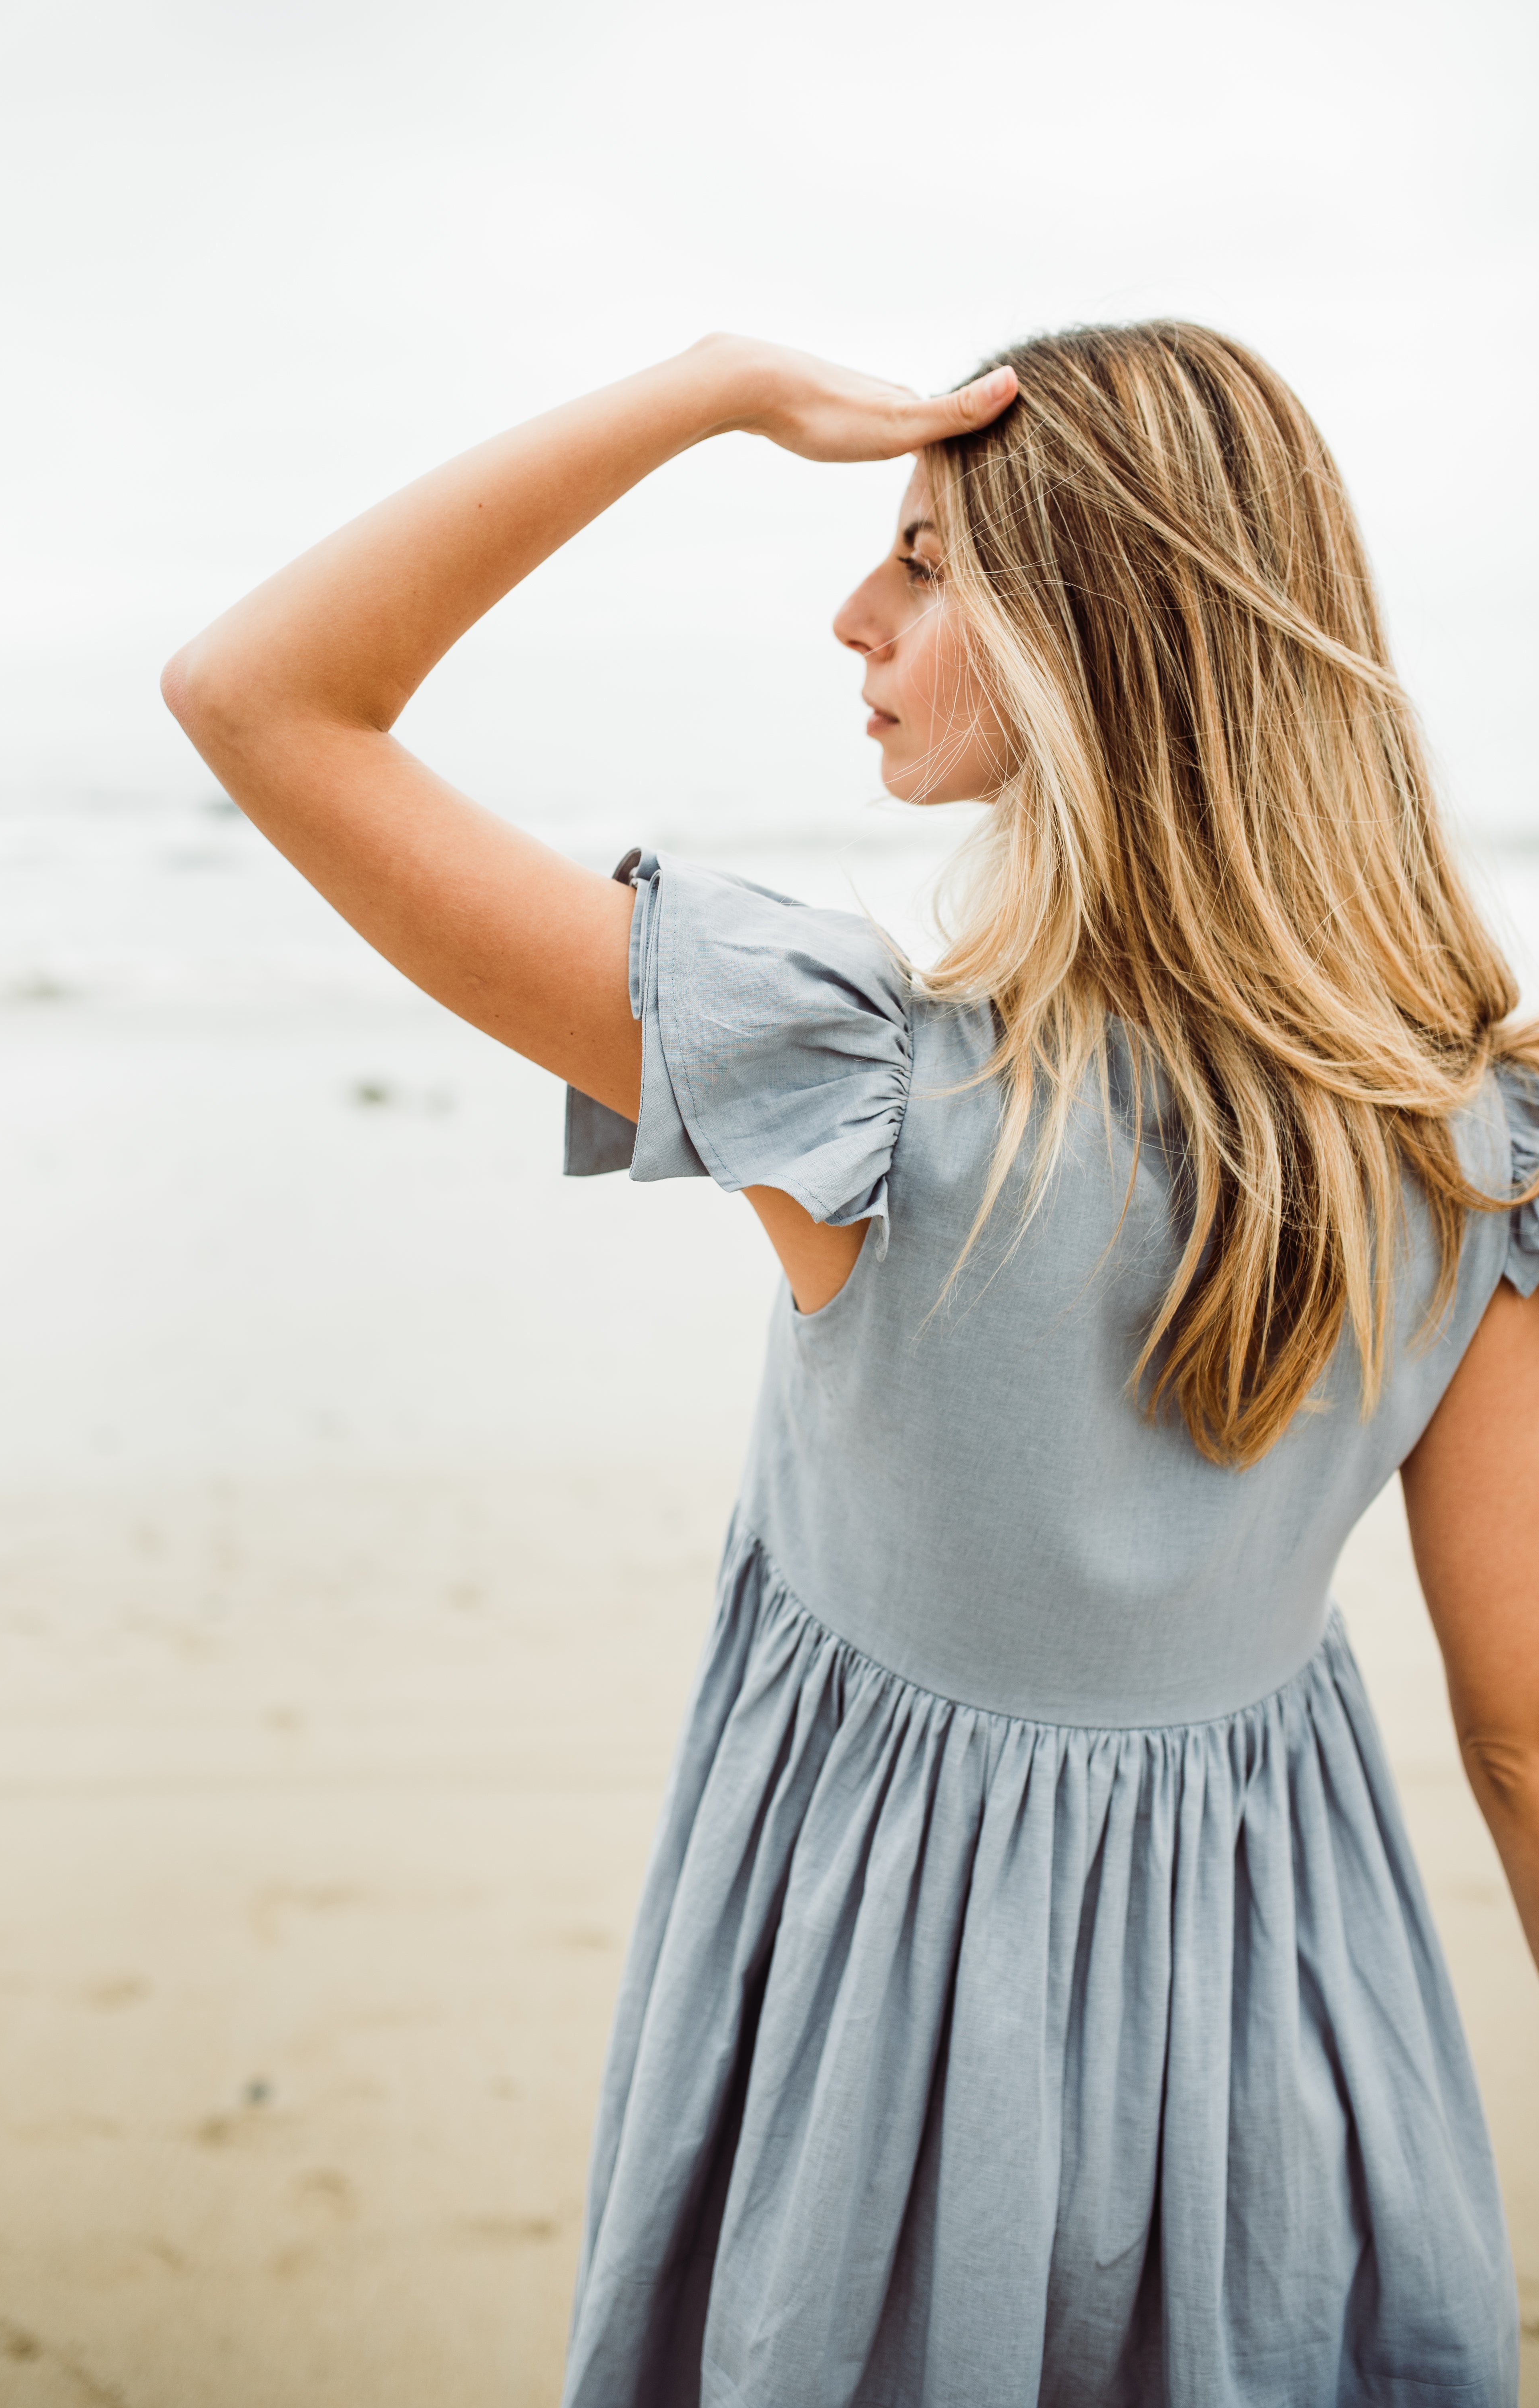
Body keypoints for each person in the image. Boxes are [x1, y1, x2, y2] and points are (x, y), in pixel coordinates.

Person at [162, 325, 1539, 2405]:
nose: (855, 614)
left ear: (1086, 638)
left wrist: (709, 390)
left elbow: (257, 699)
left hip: (897, 2070)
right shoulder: (1467, 1140)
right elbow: (1522, 1736)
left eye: (922, 561)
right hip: (1285, 2058)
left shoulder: (861, 1100)